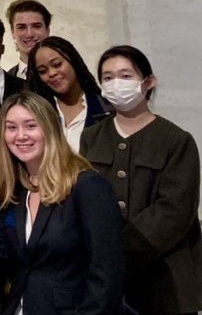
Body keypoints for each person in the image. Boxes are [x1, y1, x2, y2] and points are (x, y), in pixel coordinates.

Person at [0, 92, 124, 315]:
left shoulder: (87, 186)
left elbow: (107, 273)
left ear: (50, 129)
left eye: (30, 126)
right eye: (12, 127)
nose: (21, 136)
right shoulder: (17, 188)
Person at [81, 45, 202, 315]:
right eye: (108, 77)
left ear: (148, 82)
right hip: (106, 283)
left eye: (125, 76)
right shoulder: (92, 136)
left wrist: (114, 255)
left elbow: (175, 210)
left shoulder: (176, 140)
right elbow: (84, 198)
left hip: (165, 282)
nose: (116, 84)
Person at [27, 36, 110, 152]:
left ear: (73, 61)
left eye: (57, 64)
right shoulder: (36, 114)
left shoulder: (106, 109)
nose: (51, 73)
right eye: (42, 71)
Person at [5, 0, 51, 80]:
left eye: (36, 26)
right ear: (12, 32)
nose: (29, 34)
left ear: (47, 30)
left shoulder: (65, 74)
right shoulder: (6, 81)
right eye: (21, 27)